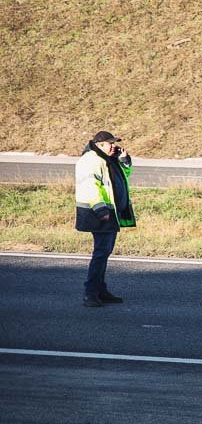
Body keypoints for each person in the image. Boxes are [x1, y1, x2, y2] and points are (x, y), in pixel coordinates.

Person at [74, 131, 136, 307]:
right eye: (110, 143)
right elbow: (90, 186)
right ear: (100, 144)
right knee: (101, 253)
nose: (114, 146)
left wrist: (124, 160)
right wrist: (100, 210)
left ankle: (100, 290)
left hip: (110, 212)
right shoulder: (91, 160)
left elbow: (123, 177)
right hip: (100, 213)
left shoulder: (107, 159)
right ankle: (90, 293)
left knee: (104, 252)